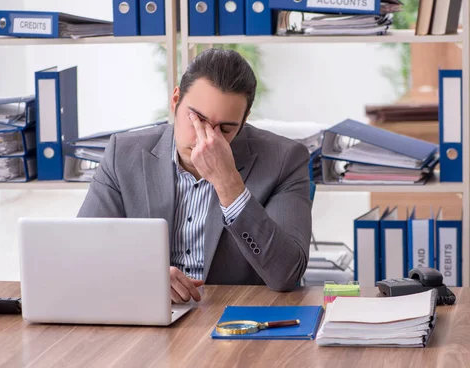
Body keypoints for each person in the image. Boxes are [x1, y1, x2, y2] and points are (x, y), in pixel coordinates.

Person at [78, 48, 312, 303]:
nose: (207, 139)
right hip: (146, 310)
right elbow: (83, 253)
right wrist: (141, 275)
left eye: (224, 129)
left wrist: (228, 184)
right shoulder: (122, 154)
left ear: (243, 123)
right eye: (196, 119)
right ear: (175, 100)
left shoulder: (285, 160)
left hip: (234, 318)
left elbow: (286, 274)